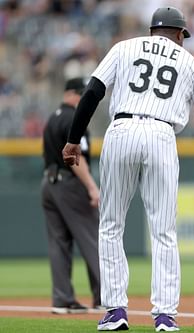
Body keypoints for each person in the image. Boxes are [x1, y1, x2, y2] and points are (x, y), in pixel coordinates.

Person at [62, 6, 194, 332]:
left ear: (152, 31)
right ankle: (164, 316)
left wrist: (74, 139)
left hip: (122, 131)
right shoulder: (190, 63)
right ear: (178, 34)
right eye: (183, 36)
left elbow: (92, 92)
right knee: (164, 231)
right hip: (161, 135)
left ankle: (115, 311)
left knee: (111, 225)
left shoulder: (124, 47)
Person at [41, 77, 101, 314]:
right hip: (70, 184)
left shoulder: (53, 117)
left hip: (48, 183)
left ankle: (62, 300)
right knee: (92, 239)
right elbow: (76, 159)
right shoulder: (74, 118)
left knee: (59, 243)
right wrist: (91, 187)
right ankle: (105, 298)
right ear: (77, 94)